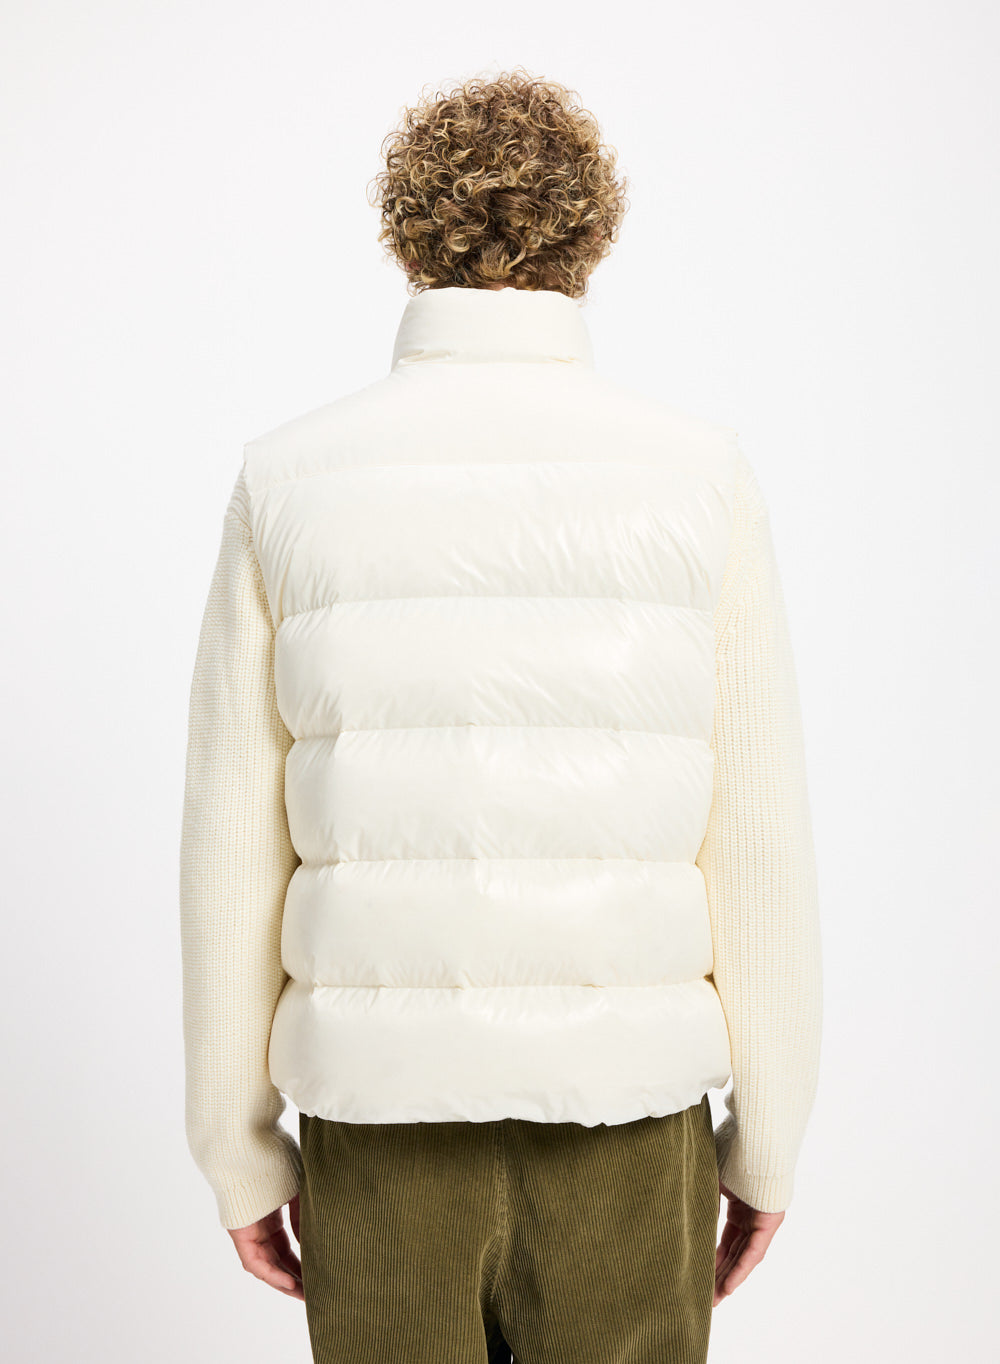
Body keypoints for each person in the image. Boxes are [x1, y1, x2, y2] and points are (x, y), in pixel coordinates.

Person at [179, 67, 823, 1364]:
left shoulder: (289, 479)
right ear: (593, 232)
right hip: (629, 1116)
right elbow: (757, 843)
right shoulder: (700, 479)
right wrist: (769, 1139)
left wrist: (236, 1151)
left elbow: (231, 851)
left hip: (378, 1119)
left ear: (406, 233)